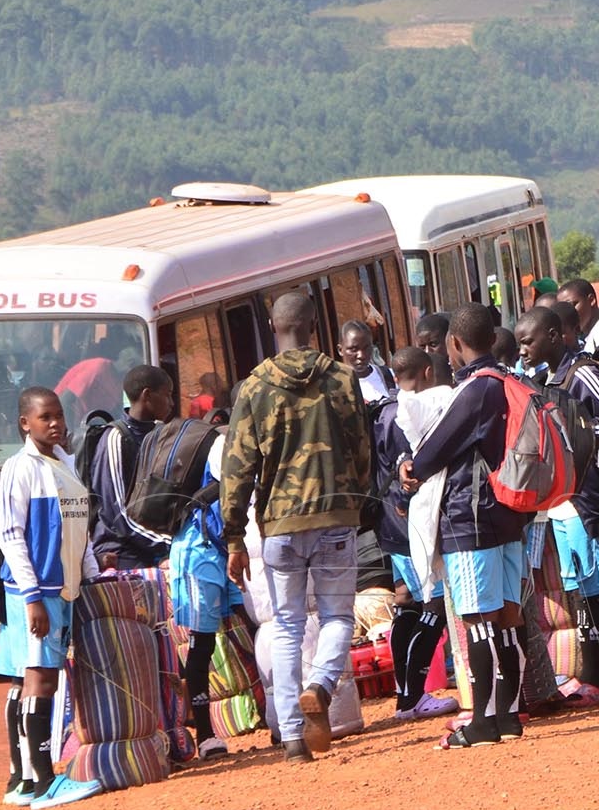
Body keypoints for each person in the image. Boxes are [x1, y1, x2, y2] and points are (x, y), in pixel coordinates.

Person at [221, 291, 372, 761]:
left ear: (273, 325)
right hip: (333, 518)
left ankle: (292, 738)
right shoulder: (343, 379)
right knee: (337, 617)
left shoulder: (254, 387)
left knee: (286, 626)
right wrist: (353, 499)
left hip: (279, 527)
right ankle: (322, 686)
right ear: (313, 325)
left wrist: (232, 537)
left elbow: (237, 468)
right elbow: (363, 451)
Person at [402, 304, 531, 747]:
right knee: (509, 619)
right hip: (511, 515)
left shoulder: (475, 391)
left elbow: (433, 451)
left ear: (455, 345)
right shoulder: (511, 382)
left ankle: (482, 723)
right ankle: (509, 717)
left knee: (479, 622)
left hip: (470, 519)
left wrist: (411, 466)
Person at [522, 304, 599, 705]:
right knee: (580, 585)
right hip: (564, 502)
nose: (523, 350)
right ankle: (590, 673)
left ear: (553, 336)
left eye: (528, 341)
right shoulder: (542, 379)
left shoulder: (582, 373)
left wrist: (575, 441)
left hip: (595, 496)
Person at [0, 388, 101, 807]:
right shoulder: (20, 468)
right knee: (41, 678)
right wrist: (32, 596)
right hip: (36, 590)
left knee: (30, 678)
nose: (55, 423)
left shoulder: (66, 464)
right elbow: (10, 535)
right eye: (45, 418)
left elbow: (80, 528)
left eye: (58, 416)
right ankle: (44, 783)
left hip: (63, 587)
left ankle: (22, 780)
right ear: (26, 423)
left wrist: (91, 573)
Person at [375, 347, 458, 721]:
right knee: (435, 605)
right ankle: (413, 696)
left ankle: (403, 694)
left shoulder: (383, 410)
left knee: (406, 602)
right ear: (427, 372)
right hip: (413, 523)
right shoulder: (418, 408)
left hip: (390, 522)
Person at [168, 404, 245, 758]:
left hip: (226, 547)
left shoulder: (243, 441)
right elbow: (229, 498)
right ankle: (205, 735)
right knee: (202, 644)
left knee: (252, 626)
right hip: (200, 552)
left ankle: (278, 718)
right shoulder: (221, 445)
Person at [85, 364, 176, 573]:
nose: (171, 403)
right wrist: (166, 545)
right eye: (167, 395)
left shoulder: (160, 434)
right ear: (147, 395)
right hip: (122, 551)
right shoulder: (116, 438)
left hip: (153, 544)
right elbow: (117, 513)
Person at [339, 320, 392, 411]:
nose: (361, 355)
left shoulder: (389, 376)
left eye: (366, 348)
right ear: (340, 350)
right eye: (353, 349)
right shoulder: (335, 386)